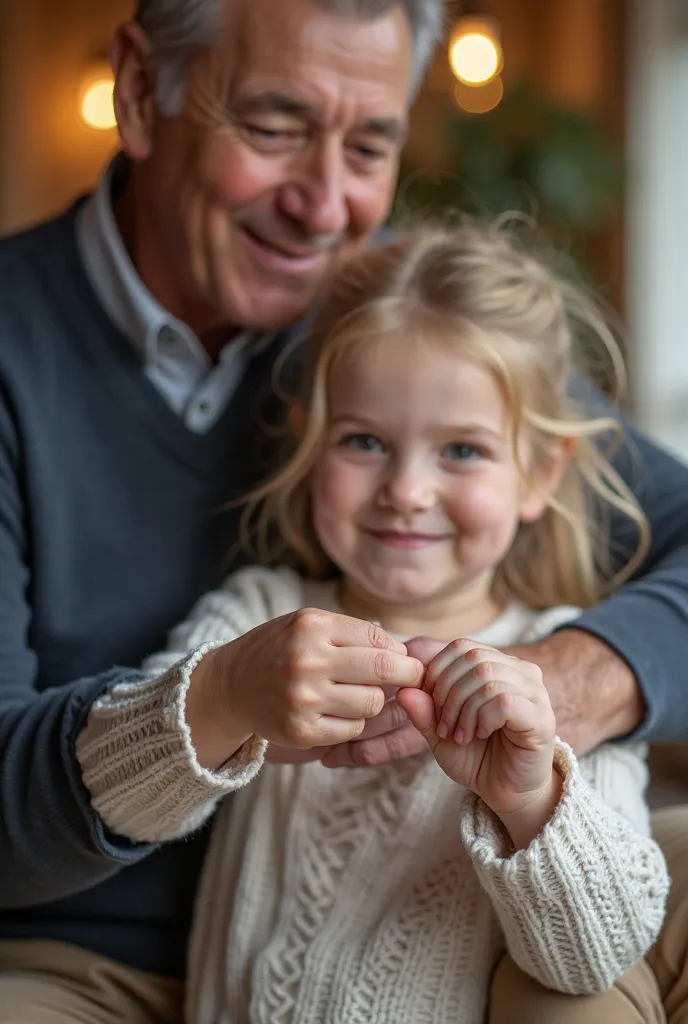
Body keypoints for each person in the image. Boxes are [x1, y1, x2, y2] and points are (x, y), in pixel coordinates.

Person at [0, 0, 687, 1020]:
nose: (324, 208)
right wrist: (214, 701)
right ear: (142, 93)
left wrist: (570, 690)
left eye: (369, 144)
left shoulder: (404, 317)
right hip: (85, 942)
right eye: (274, 127)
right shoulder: (23, 350)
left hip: (461, 940)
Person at [76, 220, 671, 1023]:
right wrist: (226, 700)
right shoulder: (259, 614)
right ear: (310, 443)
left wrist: (532, 800)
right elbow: (110, 793)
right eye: (364, 441)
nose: (407, 491)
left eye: (462, 451)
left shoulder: (556, 685)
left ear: (538, 472)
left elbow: (596, 954)